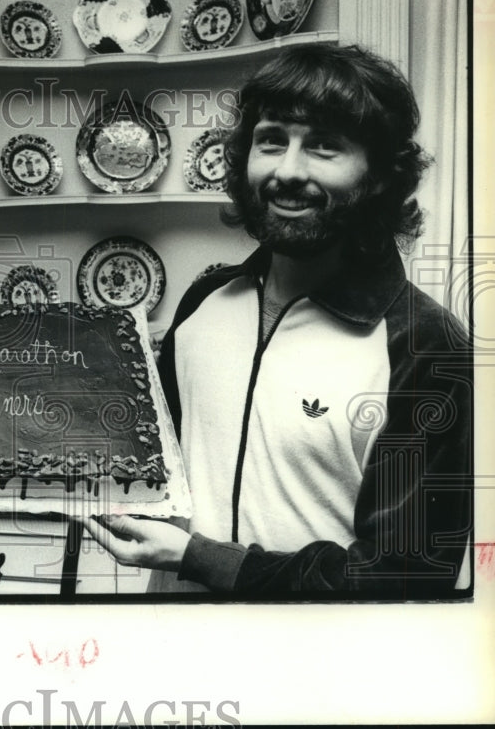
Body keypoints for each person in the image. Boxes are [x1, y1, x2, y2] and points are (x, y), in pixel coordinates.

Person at [85, 44, 472, 596]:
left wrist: (203, 559)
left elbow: (407, 574)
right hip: (177, 656)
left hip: (313, 674)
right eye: (271, 141)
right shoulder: (203, 303)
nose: (288, 171)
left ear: (383, 174)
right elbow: (150, 469)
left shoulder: (426, 346)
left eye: (324, 146)